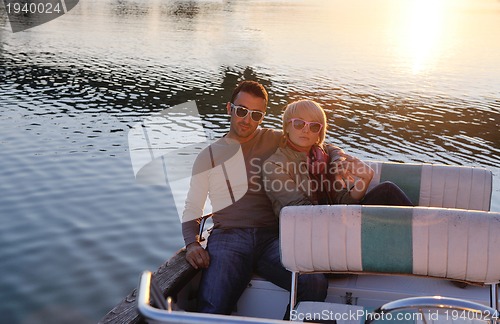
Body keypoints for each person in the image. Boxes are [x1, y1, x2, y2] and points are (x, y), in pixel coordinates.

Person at [181, 82, 328, 315]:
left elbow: (316, 143)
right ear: (230, 108)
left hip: (272, 239)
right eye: (241, 111)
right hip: (229, 237)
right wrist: (191, 244)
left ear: (262, 117)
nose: (247, 120)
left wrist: (338, 158)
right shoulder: (208, 156)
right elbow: (193, 206)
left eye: (256, 114)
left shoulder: (275, 140)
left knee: (314, 282)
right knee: (212, 307)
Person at [262, 99, 413, 217]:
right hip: (306, 230)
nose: (306, 130)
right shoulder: (275, 165)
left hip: (335, 219)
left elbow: (345, 201)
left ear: (319, 133)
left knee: (387, 190)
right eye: (299, 123)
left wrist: (365, 181)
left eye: (314, 126)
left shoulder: (322, 155)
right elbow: (302, 211)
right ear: (287, 127)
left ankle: (425, 236)